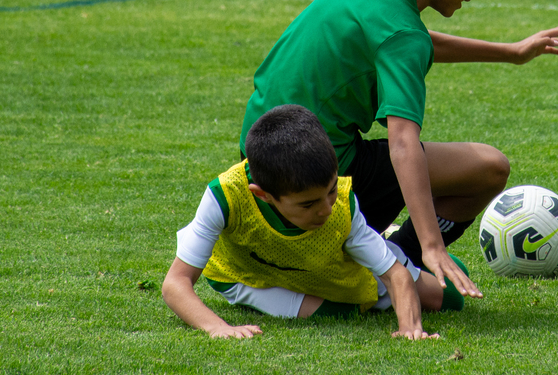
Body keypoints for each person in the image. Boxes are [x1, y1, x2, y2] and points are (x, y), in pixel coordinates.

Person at [238, 0, 558, 303]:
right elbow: (403, 142)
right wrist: (434, 246)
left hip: (258, 165)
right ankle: (402, 258)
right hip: (314, 181)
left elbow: (406, 40)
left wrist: (511, 52)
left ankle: (378, 254)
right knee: (489, 169)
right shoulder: (402, 36)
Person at [163, 104, 460, 340]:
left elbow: (395, 276)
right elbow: (176, 283)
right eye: (308, 204)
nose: (326, 209)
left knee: (448, 298)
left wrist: (410, 329)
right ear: (263, 195)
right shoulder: (224, 196)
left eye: (331, 191)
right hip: (248, 277)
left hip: (323, 268)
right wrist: (217, 327)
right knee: (337, 313)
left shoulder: (342, 206)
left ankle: (389, 247)